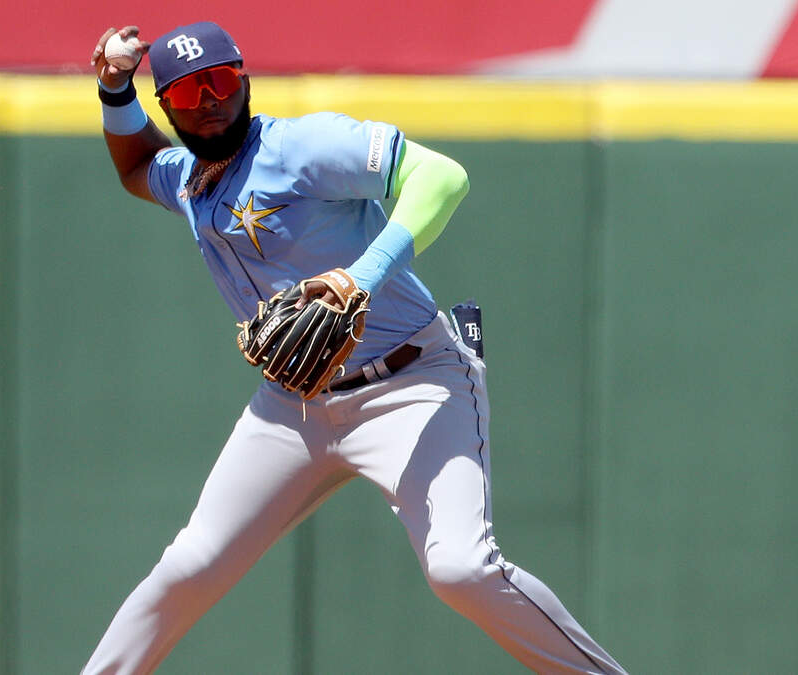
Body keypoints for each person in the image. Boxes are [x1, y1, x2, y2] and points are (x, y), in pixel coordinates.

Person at [81, 21, 628, 675]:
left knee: (461, 570)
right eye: (189, 93)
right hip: (293, 407)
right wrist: (115, 91)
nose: (210, 101)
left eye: (220, 80)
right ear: (168, 106)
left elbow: (442, 176)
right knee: (189, 567)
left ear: (244, 78)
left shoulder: (302, 146)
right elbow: (136, 165)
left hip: (412, 382)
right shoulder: (192, 180)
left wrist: (360, 277)